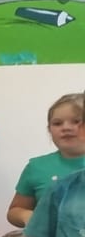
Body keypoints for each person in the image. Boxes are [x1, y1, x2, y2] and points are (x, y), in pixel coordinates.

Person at [8, 93, 85, 229]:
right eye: (57, 123)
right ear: (49, 130)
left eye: (76, 121)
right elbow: (14, 212)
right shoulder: (36, 167)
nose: (66, 127)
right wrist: (27, 216)